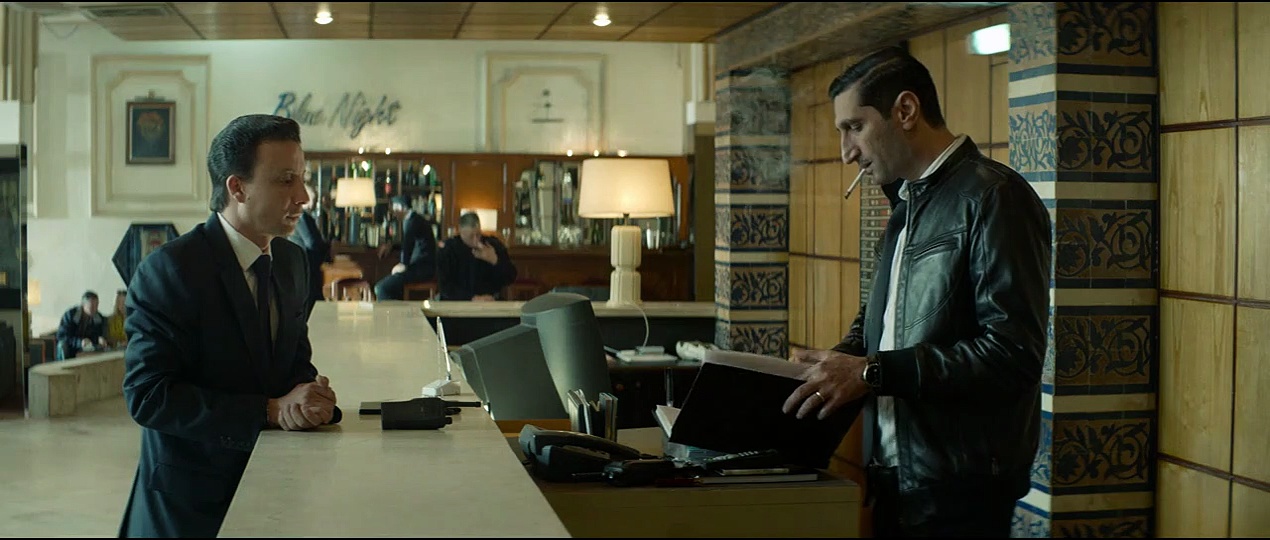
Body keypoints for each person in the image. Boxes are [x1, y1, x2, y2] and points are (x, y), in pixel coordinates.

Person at [781, 47, 1052, 537]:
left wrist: (872, 372)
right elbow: (880, 324)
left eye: (854, 127)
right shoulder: (906, 201)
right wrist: (830, 368)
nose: (846, 152)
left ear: (905, 110)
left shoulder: (994, 197)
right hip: (897, 480)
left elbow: (1013, 356)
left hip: (959, 490)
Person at [119, 114, 343, 538]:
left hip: (276, 491)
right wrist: (270, 410)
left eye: (303, 179)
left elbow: (292, 364)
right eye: (286, 180)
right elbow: (149, 396)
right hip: (189, 508)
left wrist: (309, 397)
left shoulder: (293, 262)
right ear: (237, 188)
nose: (304, 196)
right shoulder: (170, 270)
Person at [436, 211, 517, 301]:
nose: (475, 240)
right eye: (470, 236)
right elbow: (445, 287)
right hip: (458, 301)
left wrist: (494, 260)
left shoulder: (492, 245)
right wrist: (473, 298)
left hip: (490, 301)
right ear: (460, 231)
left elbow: (510, 277)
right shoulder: (448, 249)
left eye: (478, 235)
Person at [373, 196, 439, 300]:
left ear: (401, 207)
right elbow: (409, 243)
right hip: (423, 268)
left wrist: (403, 264)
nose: (393, 212)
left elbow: (408, 245)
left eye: (394, 208)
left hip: (421, 269)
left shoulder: (412, 221)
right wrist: (391, 245)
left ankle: (389, 310)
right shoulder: (414, 219)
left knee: (381, 288)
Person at [289, 182, 332, 313]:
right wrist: (328, 247)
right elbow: (313, 243)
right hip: (308, 267)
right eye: (312, 197)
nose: (313, 201)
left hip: (302, 267)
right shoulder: (302, 217)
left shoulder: (301, 216)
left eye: (315, 197)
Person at [55, 290, 107, 359]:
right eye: (91, 306)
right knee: (62, 345)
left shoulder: (98, 318)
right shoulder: (70, 315)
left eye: (96, 305)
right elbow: (62, 336)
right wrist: (79, 342)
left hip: (88, 349)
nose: (95, 309)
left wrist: (99, 339)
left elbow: (97, 335)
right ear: (83, 305)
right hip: (71, 347)